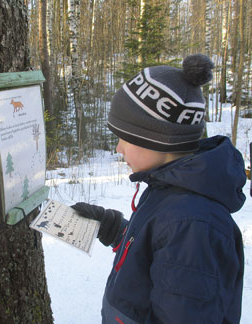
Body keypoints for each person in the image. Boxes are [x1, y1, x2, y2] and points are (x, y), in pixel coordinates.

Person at [71, 54, 247, 324]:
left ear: (156, 140)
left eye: (124, 139)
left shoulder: (193, 224)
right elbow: (157, 252)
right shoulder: (170, 188)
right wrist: (113, 228)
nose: (118, 149)